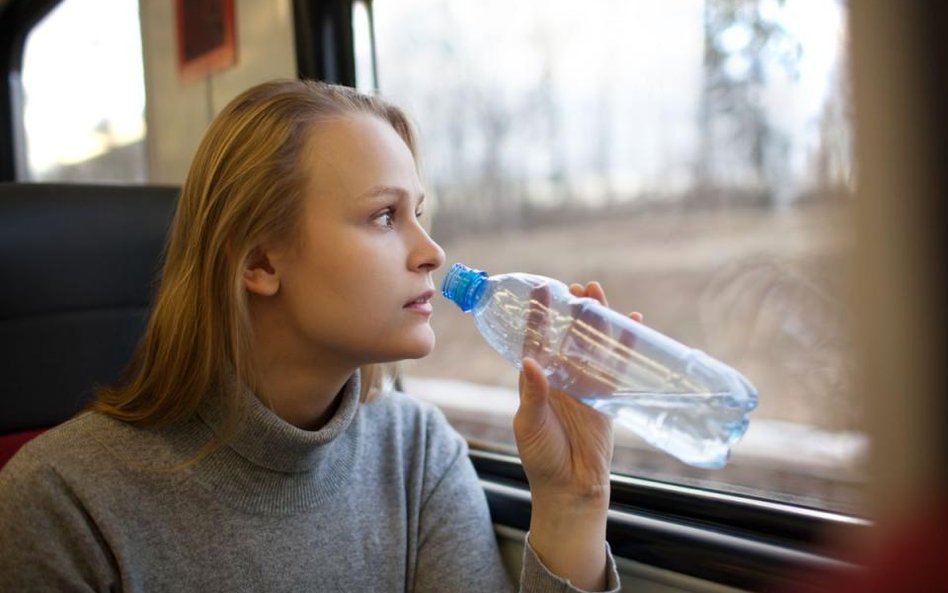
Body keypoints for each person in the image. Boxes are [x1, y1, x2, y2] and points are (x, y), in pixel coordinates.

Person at [0, 79, 631, 592]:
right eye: (385, 215)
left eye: (419, 213)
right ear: (259, 263)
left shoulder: (417, 453)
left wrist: (574, 499)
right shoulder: (59, 502)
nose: (432, 251)